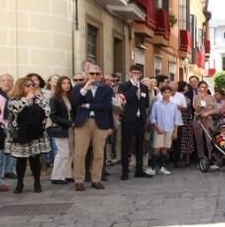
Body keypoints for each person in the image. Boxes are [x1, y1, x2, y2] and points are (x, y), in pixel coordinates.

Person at [71, 60, 114, 191]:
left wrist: (88, 105)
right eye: (91, 73)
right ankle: (79, 180)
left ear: (101, 75)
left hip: (100, 123)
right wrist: (85, 89)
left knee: (99, 153)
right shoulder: (79, 88)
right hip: (83, 122)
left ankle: (96, 179)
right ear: (87, 74)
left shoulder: (106, 88)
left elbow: (106, 106)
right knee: (80, 153)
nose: (94, 76)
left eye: (97, 73)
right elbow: (75, 102)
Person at [5, 74, 50, 193]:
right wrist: (27, 99)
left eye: (32, 85)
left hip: (35, 132)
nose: (31, 87)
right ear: (21, 87)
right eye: (27, 85)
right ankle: (20, 183)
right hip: (21, 133)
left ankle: (37, 183)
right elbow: (15, 109)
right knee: (21, 160)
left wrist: (35, 99)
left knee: (35, 158)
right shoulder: (14, 99)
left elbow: (46, 111)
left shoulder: (39, 98)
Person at [117, 63, 153, 179]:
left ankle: (139, 169)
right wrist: (134, 87)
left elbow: (146, 103)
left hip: (140, 119)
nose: (136, 75)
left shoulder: (144, 88)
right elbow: (125, 99)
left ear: (141, 74)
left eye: (138, 73)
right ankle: (125, 171)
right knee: (126, 145)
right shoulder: (124, 86)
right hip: (128, 119)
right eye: (134, 73)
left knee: (139, 145)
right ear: (130, 74)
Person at [150, 81, 182, 175]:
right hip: (159, 129)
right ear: (161, 93)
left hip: (169, 129)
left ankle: (162, 166)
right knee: (156, 148)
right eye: (165, 92)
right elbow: (152, 118)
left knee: (165, 148)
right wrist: (157, 127)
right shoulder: (157, 104)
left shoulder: (173, 106)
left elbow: (176, 119)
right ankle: (152, 167)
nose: (167, 94)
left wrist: (175, 132)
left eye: (168, 92)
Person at [48, 75, 75, 184]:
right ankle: (56, 176)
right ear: (60, 85)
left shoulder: (68, 97)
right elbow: (54, 115)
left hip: (69, 128)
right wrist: (69, 123)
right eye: (64, 83)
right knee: (63, 152)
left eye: (68, 83)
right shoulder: (54, 98)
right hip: (60, 128)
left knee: (70, 152)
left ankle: (67, 174)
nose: (66, 85)